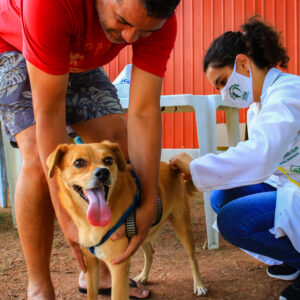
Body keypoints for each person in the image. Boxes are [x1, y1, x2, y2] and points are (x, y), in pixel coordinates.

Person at [0, 0, 180, 299]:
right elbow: (50, 113)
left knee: (117, 143)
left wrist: (149, 200)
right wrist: (69, 222)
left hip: (80, 56)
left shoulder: (158, 18)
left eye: (144, 32)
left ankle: (104, 271)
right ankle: (39, 285)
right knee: (36, 158)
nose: (130, 38)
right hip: (15, 47)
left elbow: (144, 112)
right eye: (123, 20)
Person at [169, 16, 300, 300]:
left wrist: (196, 167)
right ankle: (291, 257)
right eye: (218, 88)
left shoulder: (288, 92)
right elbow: (260, 165)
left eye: (223, 82)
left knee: (233, 220)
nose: (223, 93)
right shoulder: (258, 106)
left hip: (296, 188)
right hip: (290, 186)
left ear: (243, 63)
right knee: (221, 197)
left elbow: (259, 157)